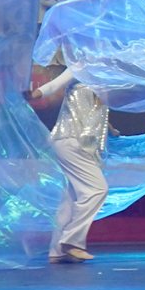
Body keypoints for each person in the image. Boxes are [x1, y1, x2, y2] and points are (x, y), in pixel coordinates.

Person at [28, 64, 115, 263]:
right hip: (70, 140)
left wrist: (110, 127)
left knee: (70, 198)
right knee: (96, 190)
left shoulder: (101, 77)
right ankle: (72, 241)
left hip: (80, 143)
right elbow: (54, 85)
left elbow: (93, 111)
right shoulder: (80, 67)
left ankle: (56, 251)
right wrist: (36, 93)